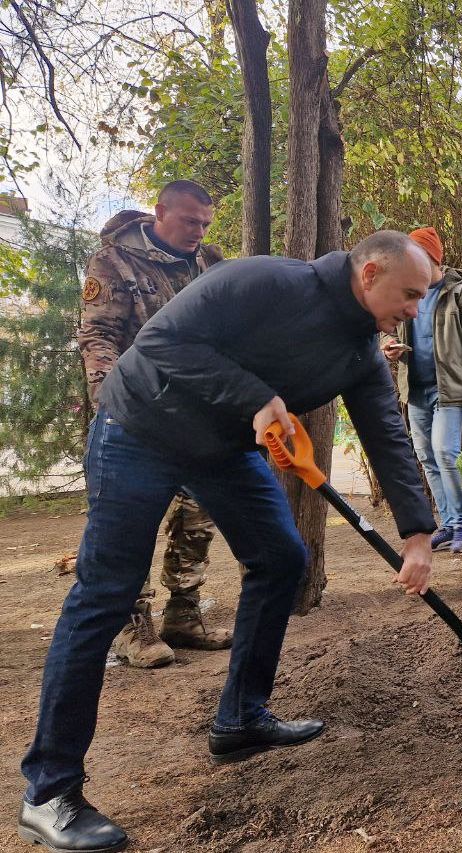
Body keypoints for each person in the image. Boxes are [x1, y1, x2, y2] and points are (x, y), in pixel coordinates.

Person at [18, 231, 438, 853]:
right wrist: (259, 397)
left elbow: (387, 436)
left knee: (281, 559)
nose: (414, 310)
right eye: (409, 294)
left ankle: (240, 718)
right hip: (140, 426)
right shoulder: (264, 281)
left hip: (220, 451)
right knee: (106, 594)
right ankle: (48, 792)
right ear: (370, 273)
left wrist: (418, 534)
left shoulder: (361, 354)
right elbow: (161, 342)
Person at [78, 180, 232, 668]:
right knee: (132, 519)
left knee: (197, 514)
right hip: (135, 412)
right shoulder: (114, 261)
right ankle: (132, 626)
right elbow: (100, 333)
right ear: (160, 212)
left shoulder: (209, 261)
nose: (198, 231)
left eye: (205, 223)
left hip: (196, 413)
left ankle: (184, 615)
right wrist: (109, 400)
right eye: (190, 221)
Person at [381, 227, 462, 553]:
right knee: (427, 457)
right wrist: (388, 344)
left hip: (450, 391)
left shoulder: (461, 294)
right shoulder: (407, 291)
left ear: (431, 257)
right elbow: (385, 327)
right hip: (415, 390)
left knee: (446, 454)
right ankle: (447, 525)